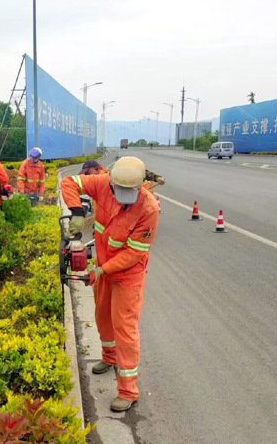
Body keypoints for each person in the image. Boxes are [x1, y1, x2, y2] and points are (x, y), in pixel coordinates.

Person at [61, 156, 159, 412]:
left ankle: (128, 391)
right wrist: (77, 212)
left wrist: (101, 270)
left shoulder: (148, 209)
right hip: (104, 269)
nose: (124, 197)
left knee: (125, 328)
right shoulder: (101, 183)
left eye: (131, 192)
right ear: (111, 183)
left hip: (128, 276)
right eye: (119, 191)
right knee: (103, 317)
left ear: (140, 186)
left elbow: (134, 253)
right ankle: (109, 357)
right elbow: (69, 182)